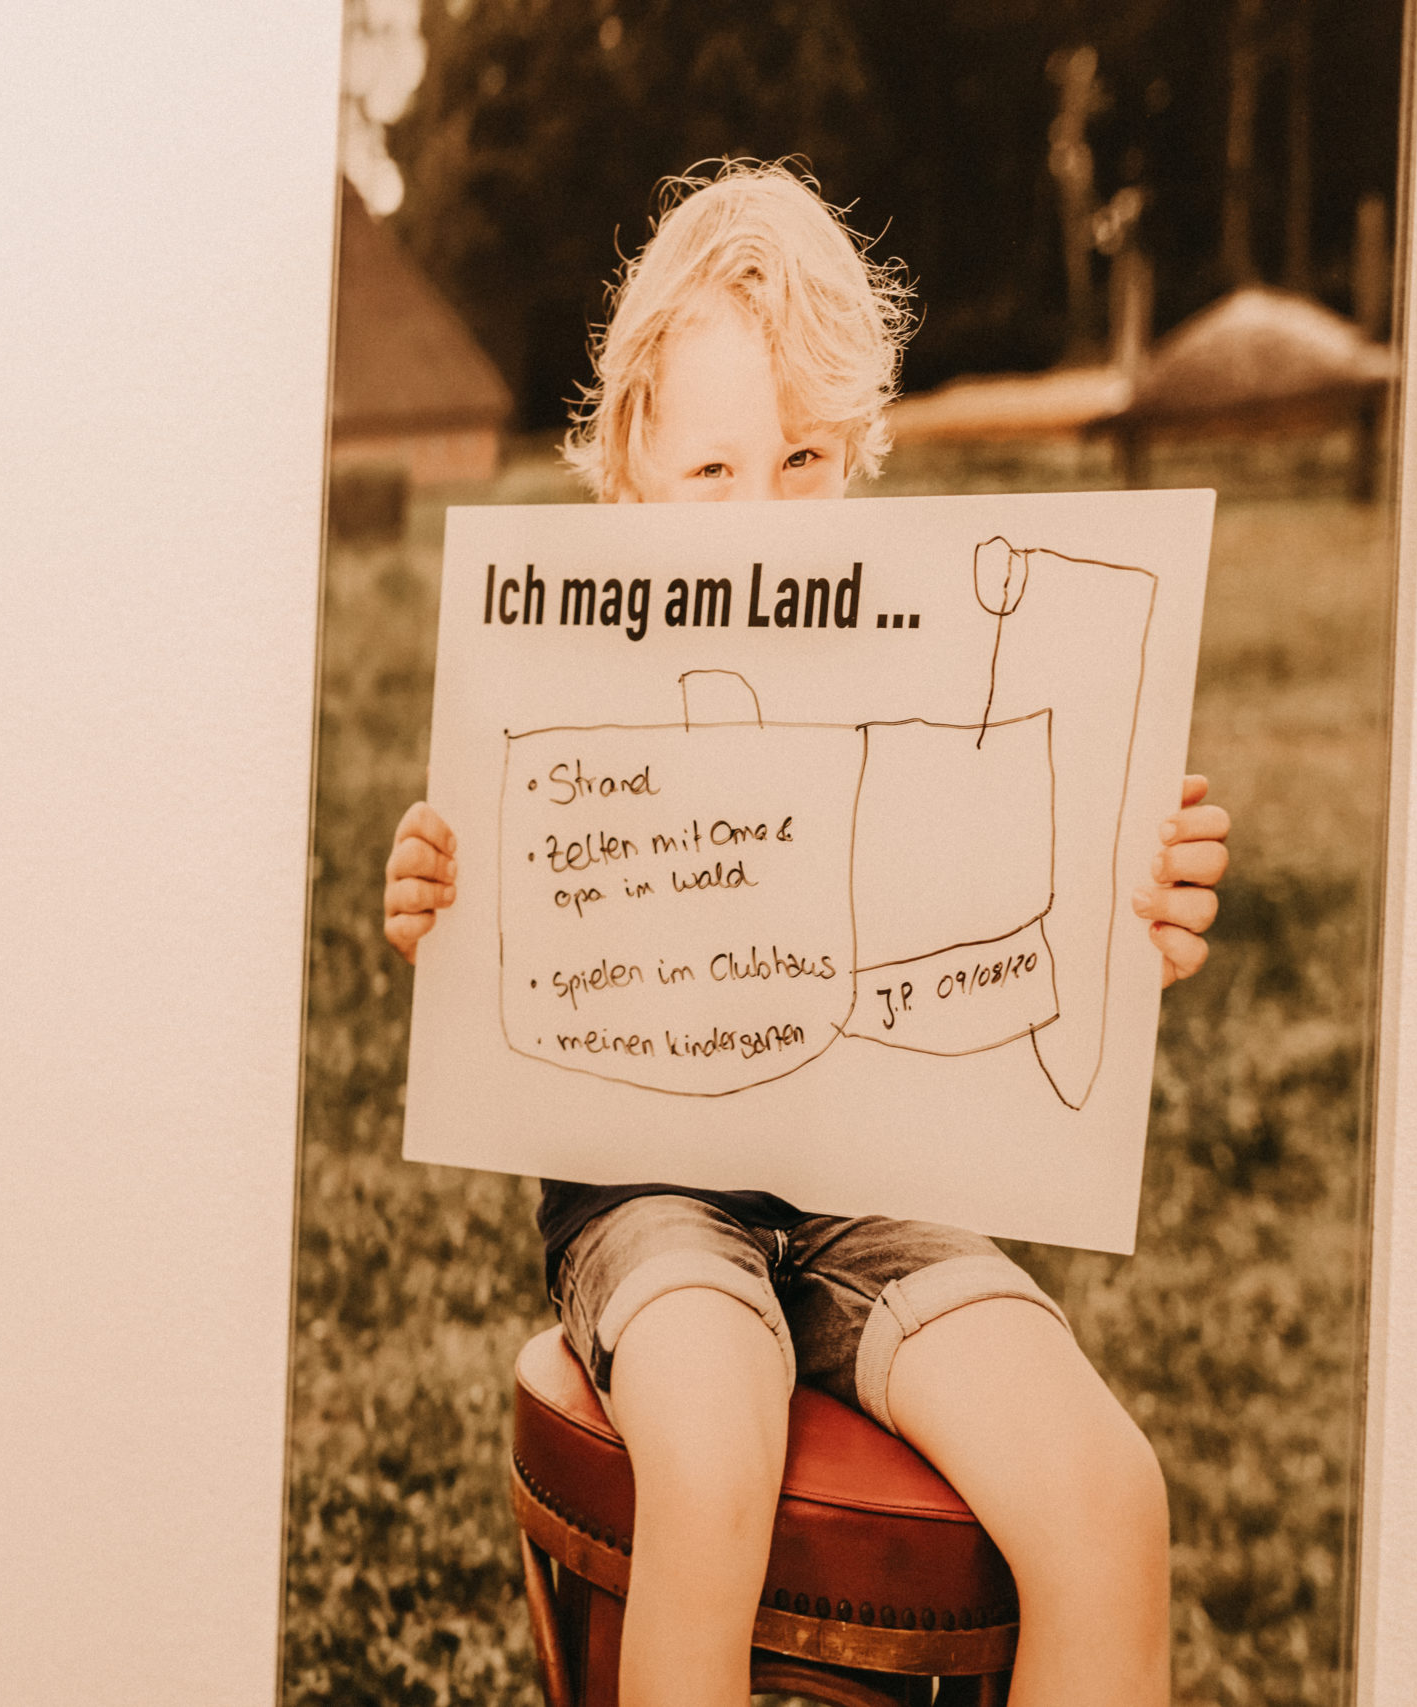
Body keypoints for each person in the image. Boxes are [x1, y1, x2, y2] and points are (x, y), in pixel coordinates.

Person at [381, 163, 1231, 1707]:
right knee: (710, 1444)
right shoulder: (560, 662)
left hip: (874, 1198)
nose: (760, 511)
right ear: (629, 471)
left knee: (1109, 1493)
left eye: (803, 458)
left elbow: (1039, 881)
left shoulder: (919, 658)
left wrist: (1132, 900)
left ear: (858, 464)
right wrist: (436, 890)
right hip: (650, 1198)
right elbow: (485, 893)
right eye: (714, 469)